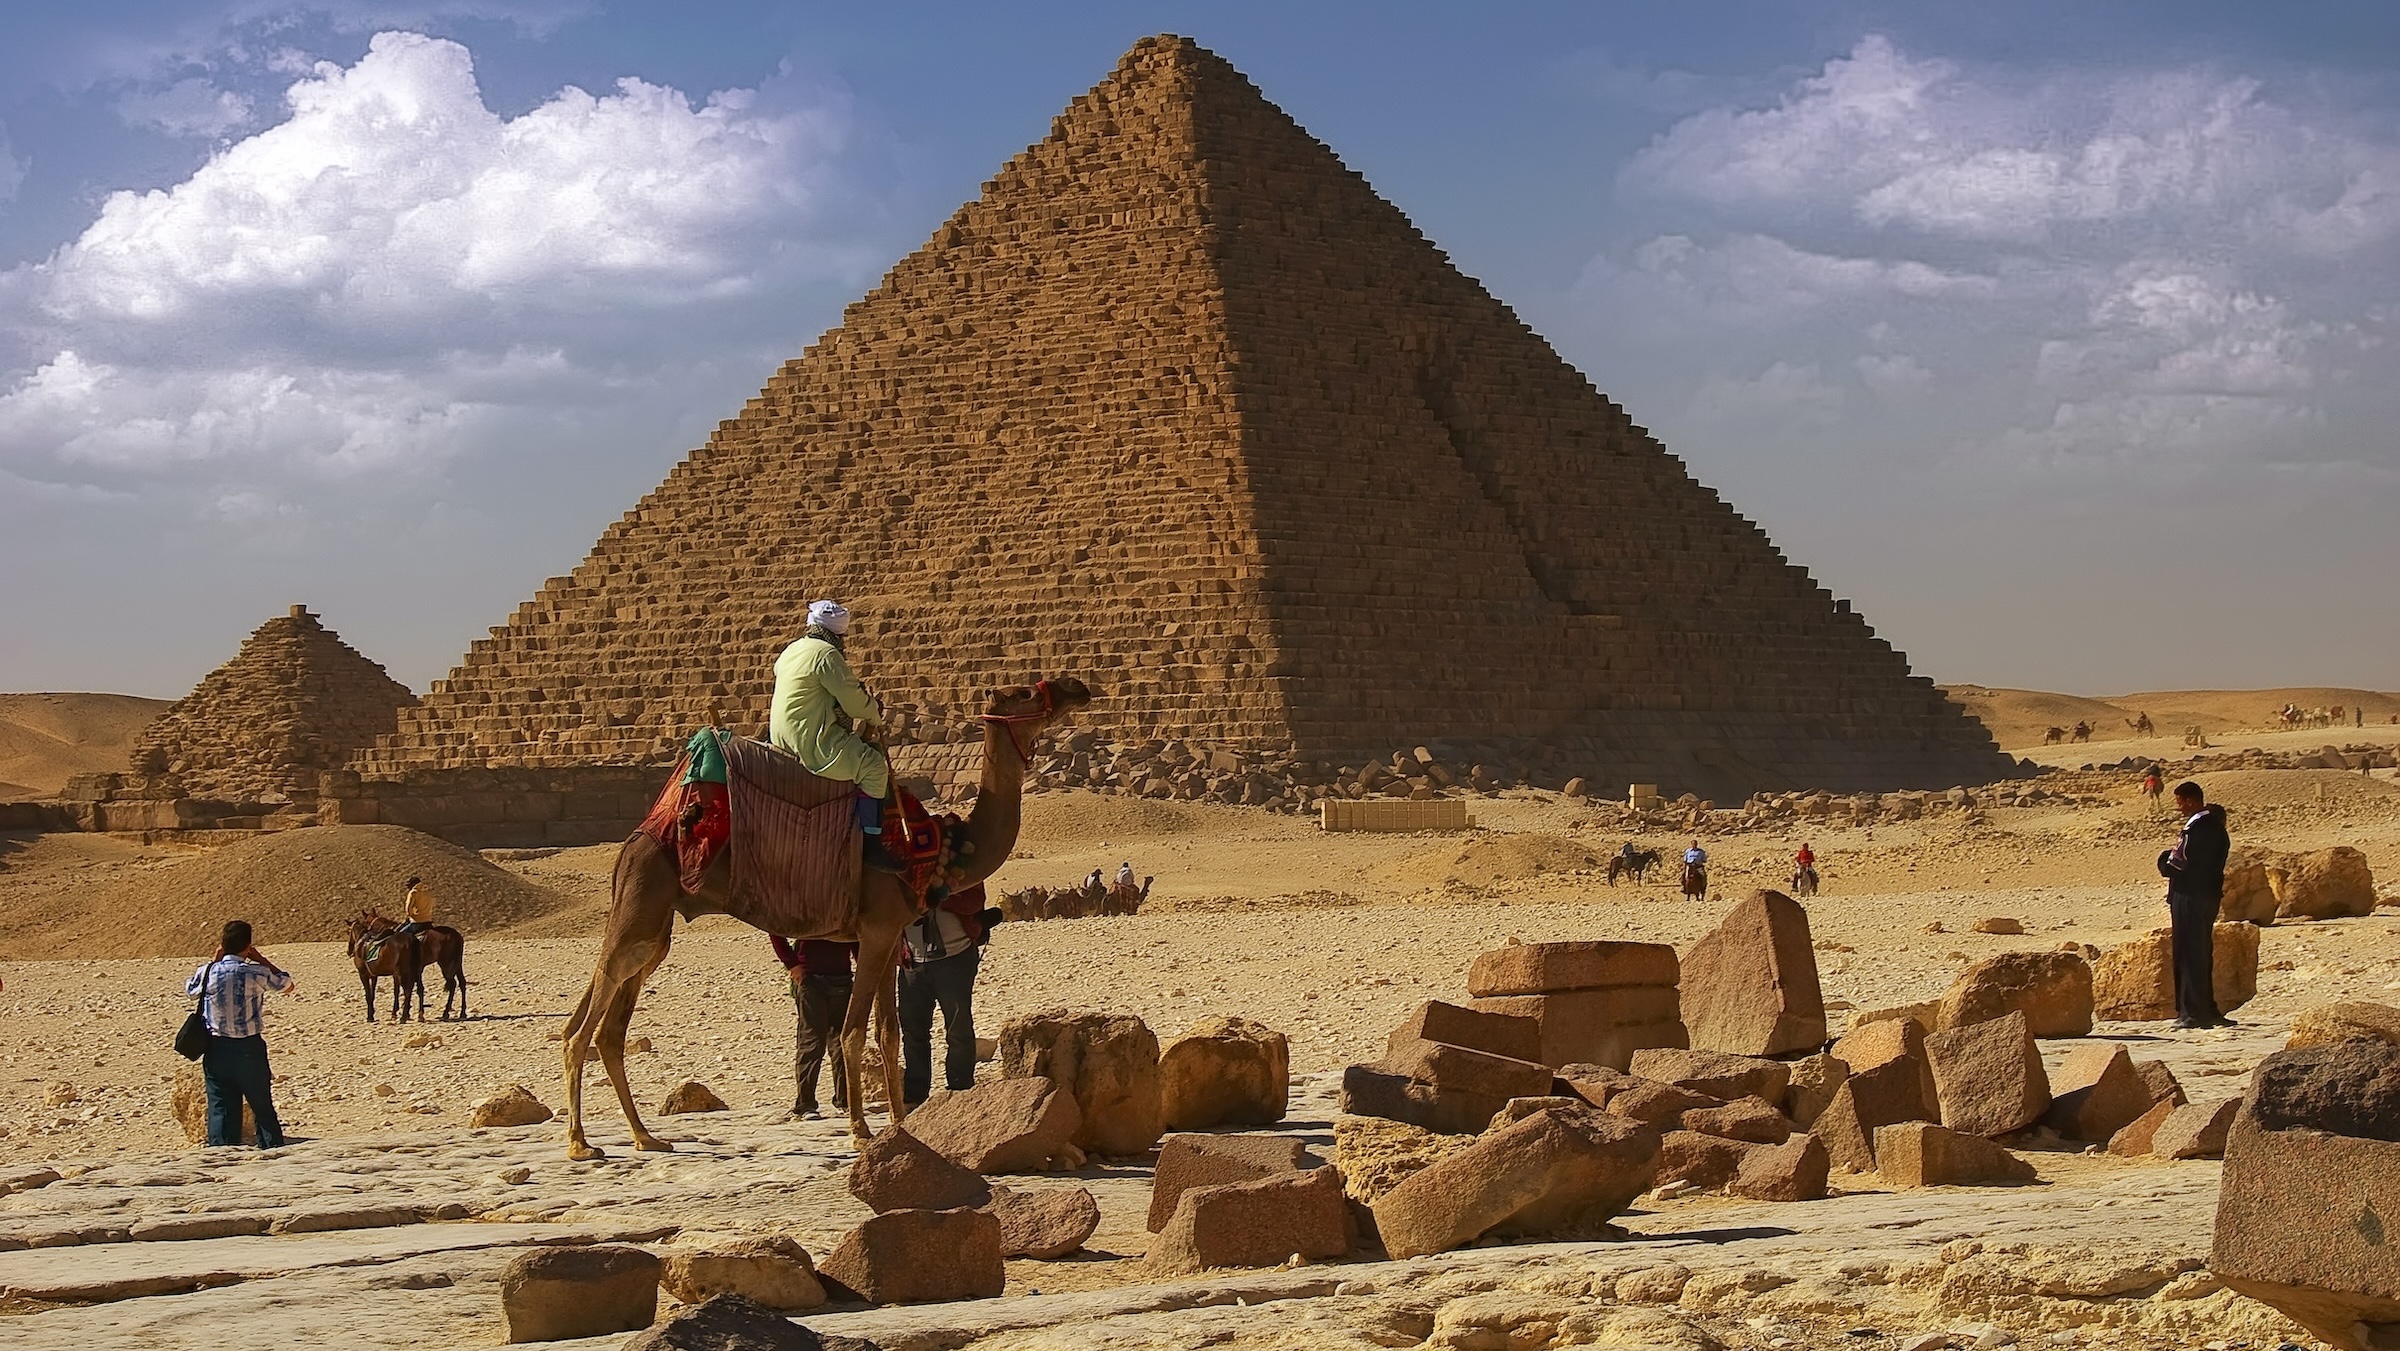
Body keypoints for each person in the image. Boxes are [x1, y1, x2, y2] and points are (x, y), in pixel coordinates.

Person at [771, 600, 900, 872]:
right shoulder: (827, 655)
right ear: (839, 633)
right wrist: (874, 711)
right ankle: (871, 845)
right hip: (811, 744)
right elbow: (853, 701)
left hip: (781, 740)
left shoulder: (791, 650)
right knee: (874, 767)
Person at [183, 920, 297, 1147]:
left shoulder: (207, 972)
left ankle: (221, 1158)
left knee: (221, 1108)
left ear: (222, 944)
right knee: (261, 1105)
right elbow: (287, 985)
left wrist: (213, 961)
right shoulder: (256, 972)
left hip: (216, 1049)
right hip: (248, 1049)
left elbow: (191, 991)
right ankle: (272, 1153)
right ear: (247, 946)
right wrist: (261, 959)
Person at [898, 882, 992, 1105]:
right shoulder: (903, 877)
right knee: (913, 1033)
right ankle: (915, 1096)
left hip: (955, 957)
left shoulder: (961, 872)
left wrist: (939, 896)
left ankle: (960, 1092)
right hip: (913, 962)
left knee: (958, 1028)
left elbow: (973, 902)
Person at [2157, 781, 2233, 1030]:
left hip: (2188, 896)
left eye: (2180, 803)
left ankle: (2190, 1012)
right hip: (2209, 896)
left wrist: (2162, 862)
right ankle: (2207, 1009)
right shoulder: (2218, 828)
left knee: (2188, 954)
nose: (2178, 808)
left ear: (2190, 801)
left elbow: (2176, 864)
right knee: (2202, 953)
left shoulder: (2194, 829)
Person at [770, 935, 855, 1118]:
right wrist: (792, 964)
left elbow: (857, 933)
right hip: (812, 979)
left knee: (840, 1043)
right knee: (814, 1043)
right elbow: (775, 930)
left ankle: (843, 1101)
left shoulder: (839, 906)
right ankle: (809, 1103)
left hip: (839, 978)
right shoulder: (807, 906)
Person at [395, 875, 434, 944]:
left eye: (409, 886)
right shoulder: (427, 893)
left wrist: (411, 915)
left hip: (417, 922)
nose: (408, 888)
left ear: (413, 884)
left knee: (398, 937)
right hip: (428, 921)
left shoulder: (413, 893)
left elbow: (408, 908)